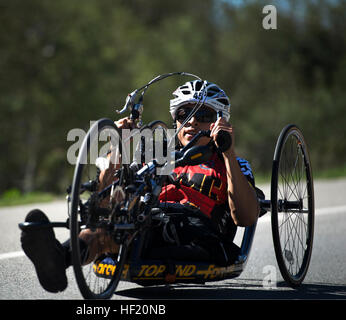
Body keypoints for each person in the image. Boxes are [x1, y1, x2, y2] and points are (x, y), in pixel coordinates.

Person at [20, 79, 261, 293]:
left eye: (204, 116)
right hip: (148, 220)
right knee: (110, 218)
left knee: (122, 228)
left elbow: (247, 216)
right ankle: (56, 259)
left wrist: (228, 153)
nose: (192, 121)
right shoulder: (160, 153)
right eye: (183, 113)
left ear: (220, 121)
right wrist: (120, 146)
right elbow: (116, 190)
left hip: (195, 232)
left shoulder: (231, 163)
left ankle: (83, 246)